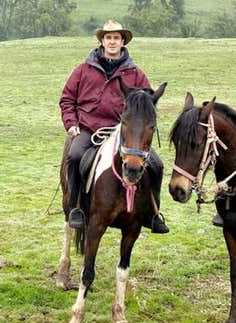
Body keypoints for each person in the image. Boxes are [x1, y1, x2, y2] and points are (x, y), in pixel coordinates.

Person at [59, 19, 169, 233]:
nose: (112, 42)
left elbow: (147, 104)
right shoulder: (83, 70)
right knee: (74, 156)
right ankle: (75, 207)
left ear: (122, 42)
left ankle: (154, 213)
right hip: (90, 129)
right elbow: (67, 100)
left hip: (124, 132)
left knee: (156, 164)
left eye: (116, 38)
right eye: (108, 37)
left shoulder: (135, 73)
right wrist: (71, 124)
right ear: (102, 41)